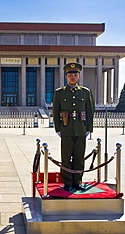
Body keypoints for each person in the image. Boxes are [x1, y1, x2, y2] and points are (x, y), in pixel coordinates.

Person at [52, 63, 95, 191]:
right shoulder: (60, 93)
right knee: (66, 157)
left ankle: (78, 181)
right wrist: (58, 129)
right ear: (66, 76)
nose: (72, 77)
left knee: (79, 157)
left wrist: (89, 128)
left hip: (81, 128)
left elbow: (90, 111)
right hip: (66, 128)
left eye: (75, 75)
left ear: (79, 76)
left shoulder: (85, 92)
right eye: (70, 75)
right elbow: (55, 111)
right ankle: (68, 182)